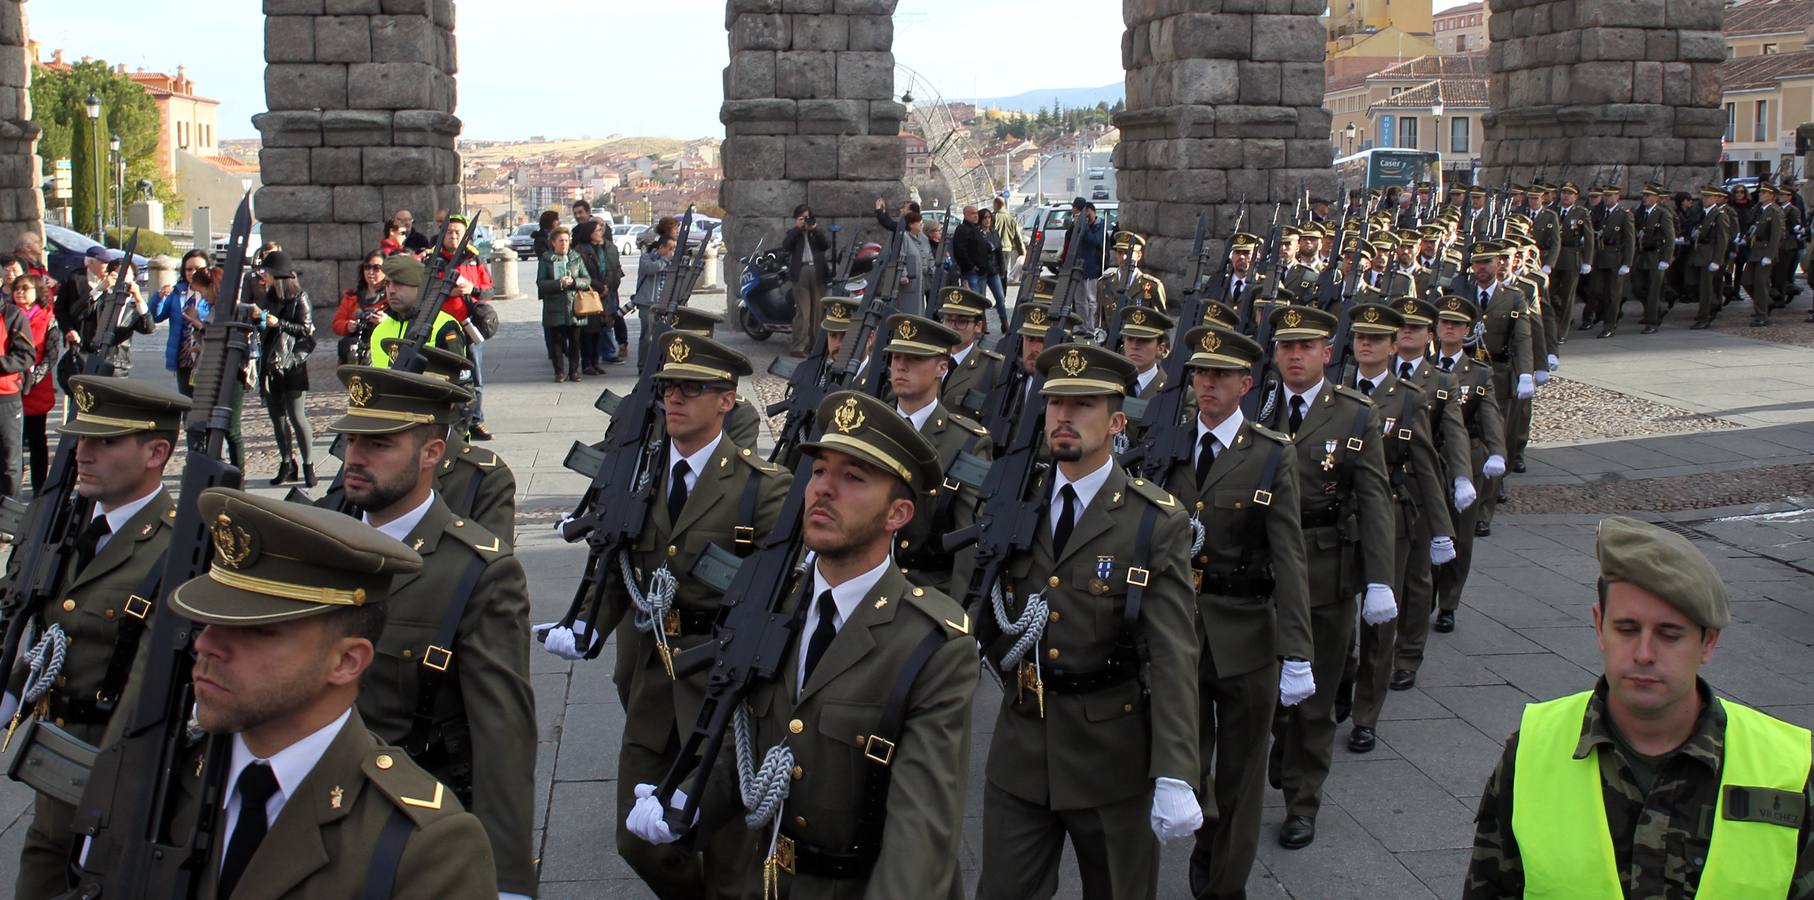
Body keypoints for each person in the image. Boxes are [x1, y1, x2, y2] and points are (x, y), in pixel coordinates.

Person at [630, 390, 976, 899]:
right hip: (765, 877)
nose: (823, 490)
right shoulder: (774, 603)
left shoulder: (930, 643)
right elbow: (746, 737)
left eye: (853, 478)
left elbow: (920, 831)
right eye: (818, 472)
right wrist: (691, 798)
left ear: (898, 514)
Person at [163, 487, 500, 899]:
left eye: (255, 632)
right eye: (209, 622)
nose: (206, 645)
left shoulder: (420, 844)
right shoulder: (163, 776)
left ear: (346, 662)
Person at [545, 331, 789, 900]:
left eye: (692, 389)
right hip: (653, 684)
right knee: (636, 843)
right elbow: (616, 564)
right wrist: (584, 625)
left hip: (723, 690)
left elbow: (776, 595)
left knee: (729, 859)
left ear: (727, 400)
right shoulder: (638, 476)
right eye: (668, 388)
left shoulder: (762, 489)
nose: (674, 399)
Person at [1464, 516, 1814, 900]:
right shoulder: (1531, 752)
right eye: (1627, 629)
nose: (1644, 654)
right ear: (1599, 626)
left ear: (1708, 642)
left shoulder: (1790, 768)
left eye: (1669, 634)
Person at [975, 342, 1201, 900]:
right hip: (1023, 746)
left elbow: (1173, 650)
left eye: (1083, 406)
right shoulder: (1014, 506)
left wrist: (1176, 768)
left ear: (1117, 422)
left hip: (1111, 755)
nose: (1065, 418)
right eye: (1056, 405)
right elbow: (975, 612)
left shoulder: (1152, 523)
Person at [325, 365, 537, 897]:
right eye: (351, 440)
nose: (354, 456)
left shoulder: (475, 572)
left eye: (378, 444)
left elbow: (502, 732)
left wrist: (505, 876)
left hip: (415, 829)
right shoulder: (319, 550)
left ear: (431, 455)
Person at [10, 376, 189, 898]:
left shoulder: (178, 549)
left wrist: (114, 791)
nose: (82, 453)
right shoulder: (67, 526)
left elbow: (154, 684)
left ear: (157, 451)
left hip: (119, 774)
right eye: (82, 438)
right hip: (51, 762)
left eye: (104, 442)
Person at [1160, 325, 1312, 896]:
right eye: (1200, 373)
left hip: (1247, 632)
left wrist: (1297, 650)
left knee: (1243, 776)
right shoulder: (1168, 446)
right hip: (1180, 632)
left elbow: (1290, 557)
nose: (1207, 385)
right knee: (1190, 767)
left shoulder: (1270, 455)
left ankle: (1226, 882)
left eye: (1221, 376)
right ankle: (1208, 837)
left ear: (1246, 383)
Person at [1255, 305, 1396, 851]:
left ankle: (1302, 800)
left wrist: (1380, 578)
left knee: (1313, 699)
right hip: (1260, 569)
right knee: (1264, 690)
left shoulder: (1354, 415)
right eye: (1286, 347)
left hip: (1323, 567)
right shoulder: (1257, 406)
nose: (1294, 356)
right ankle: (1280, 745)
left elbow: (1375, 499)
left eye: (1306, 347)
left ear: (1325, 353)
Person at [883, 313, 992, 596]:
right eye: (896, 357)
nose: (901, 367)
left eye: (915, 359)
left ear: (942, 368)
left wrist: (957, 619)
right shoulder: (873, 426)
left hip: (925, 590)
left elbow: (969, 538)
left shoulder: (967, 442)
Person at [253, 251, 318, 488]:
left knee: (297, 416)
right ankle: (287, 463)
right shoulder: (266, 297)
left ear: (277, 275)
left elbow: (306, 329)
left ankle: (309, 464)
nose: (264, 276)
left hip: (292, 363)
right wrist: (258, 319)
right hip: (269, 364)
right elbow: (263, 326)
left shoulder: (299, 297)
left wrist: (277, 322)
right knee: (277, 417)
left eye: (267, 272)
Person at [429, 216, 497, 440]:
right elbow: (423, 289)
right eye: (449, 232)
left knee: (475, 376)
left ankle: (476, 420)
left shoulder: (474, 257)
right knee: (444, 375)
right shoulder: (432, 258)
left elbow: (489, 290)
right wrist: (446, 291)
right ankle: (446, 420)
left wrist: (473, 289)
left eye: (458, 232)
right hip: (441, 327)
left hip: (468, 325)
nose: (454, 236)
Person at [179, 265, 247, 469]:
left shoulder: (232, 307)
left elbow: (229, 339)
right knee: (210, 425)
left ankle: (238, 475)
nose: (202, 297)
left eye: (202, 291)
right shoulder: (215, 308)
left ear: (212, 286)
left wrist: (199, 324)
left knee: (231, 429)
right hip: (213, 370)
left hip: (232, 373)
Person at [55, 246, 153, 379]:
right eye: (118, 274)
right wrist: (99, 289)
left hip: (119, 365)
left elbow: (148, 328)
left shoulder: (134, 306)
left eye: (127, 275)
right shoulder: (100, 298)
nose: (122, 279)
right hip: (91, 359)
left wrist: (139, 298)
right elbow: (77, 312)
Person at [12, 275, 54, 492]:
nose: (19, 292)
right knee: (12, 442)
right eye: (16, 288)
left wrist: (33, 379)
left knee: (37, 439)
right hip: (11, 383)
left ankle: (40, 487)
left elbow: (51, 353)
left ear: (37, 291)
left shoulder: (47, 318)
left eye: (25, 288)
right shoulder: (8, 315)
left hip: (36, 386)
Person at [936, 287, 1000, 422]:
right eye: (948, 320)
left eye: (961, 322)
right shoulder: (929, 360)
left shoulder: (992, 367)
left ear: (978, 326)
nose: (952, 327)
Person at [153, 249, 212, 392]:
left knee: (206, 400)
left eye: (198, 269)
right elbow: (156, 316)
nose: (193, 272)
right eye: (189, 269)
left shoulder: (213, 293)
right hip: (184, 357)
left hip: (207, 356)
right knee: (186, 401)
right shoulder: (176, 292)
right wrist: (159, 299)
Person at [537, 225, 591, 383]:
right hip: (554, 307)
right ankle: (559, 372)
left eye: (567, 240)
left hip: (574, 306)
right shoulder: (546, 259)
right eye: (561, 241)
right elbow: (541, 283)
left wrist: (574, 282)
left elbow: (587, 279)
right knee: (557, 343)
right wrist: (558, 283)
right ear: (553, 242)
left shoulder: (576, 257)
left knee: (575, 341)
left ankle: (574, 371)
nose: (564, 244)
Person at [0, 270, 34, 497]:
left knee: (9, 460)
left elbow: (26, 355)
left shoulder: (13, 314)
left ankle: (8, 520)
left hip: (6, 398)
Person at [576, 219, 626, 369]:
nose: (601, 232)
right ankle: (588, 363)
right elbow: (582, 273)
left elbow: (615, 268)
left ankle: (597, 361)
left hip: (608, 291)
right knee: (589, 330)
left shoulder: (608, 247)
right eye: (598, 230)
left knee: (605, 324)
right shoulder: (581, 251)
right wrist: (599, 287)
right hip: (590, 293)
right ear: (589, 234)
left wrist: (610, 285)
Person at [783, 204, 831, 358]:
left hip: (817, 272)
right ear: (796, 219)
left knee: (817, 311)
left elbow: (826, 245)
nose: (805, 221)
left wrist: (814, 229)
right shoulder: (793, 233)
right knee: (803, 312)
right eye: (801, 218)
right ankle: (797, 347)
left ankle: (815, 346)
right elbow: (786, 246)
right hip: (801, 272)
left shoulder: (815, 232)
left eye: (807, 218)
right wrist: (798, 229)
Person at [1632, 182, 1678, 334]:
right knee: (1638, 287)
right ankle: (1658, 309)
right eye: (1644, 195)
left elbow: (1670, 238)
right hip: (1642, 254)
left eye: (1648, 196)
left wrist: (1666, 259)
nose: (1644, 198)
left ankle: (1652, 321)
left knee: (1653, 290)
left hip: (1656, 255)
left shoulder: (1662, 213)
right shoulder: (1641, 212)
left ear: (1656, 198)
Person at [334, 250, 390, 365]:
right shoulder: (352, 297)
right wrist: (348, 326)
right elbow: (336, 323)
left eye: (376, 268)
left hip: (380, 352)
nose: (370, 272)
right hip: (354, 354)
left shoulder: (391, 297)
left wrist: (386, 321)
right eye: (367, 267)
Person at [1098, 232, 1169, 319]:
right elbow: (1100, 318)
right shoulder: (1105, 283)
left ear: (1139, 256)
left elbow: (1161, 321)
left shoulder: (1152, 286)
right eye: (1120, 252)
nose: (1124, 257)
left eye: (1128, 253)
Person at [1747, 181, 1786, 328]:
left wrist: (1769, 255)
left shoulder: (1775, 211)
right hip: (1756, 250)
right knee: (1747, 281)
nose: (1760, 195)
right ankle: (1767, 302)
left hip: (1765, 251)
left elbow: (1776, 236)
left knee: (1760, 284)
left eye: (1764, 193)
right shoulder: (1761, 210)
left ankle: (1762, 315)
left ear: (1772, 196)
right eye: (1761, 192)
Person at [992, 193, 1029, 291]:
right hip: (1007, 248)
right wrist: (1022, 251)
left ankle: (998, 294)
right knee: (1003, 271)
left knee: (994, 272)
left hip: (995, 248)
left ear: (996, 204)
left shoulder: (994, 217)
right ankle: (1003, 294)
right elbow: (1017, 236)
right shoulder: (1011, 218)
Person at [897, 210, 930, 316]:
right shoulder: (904, 238)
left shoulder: (922, 237)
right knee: (909, 307)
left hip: (920, 279)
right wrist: (902, 274)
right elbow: (900, 256)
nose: (921, 224)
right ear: (910, 224)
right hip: (909, 281)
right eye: (919, 222)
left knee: (919, 306)